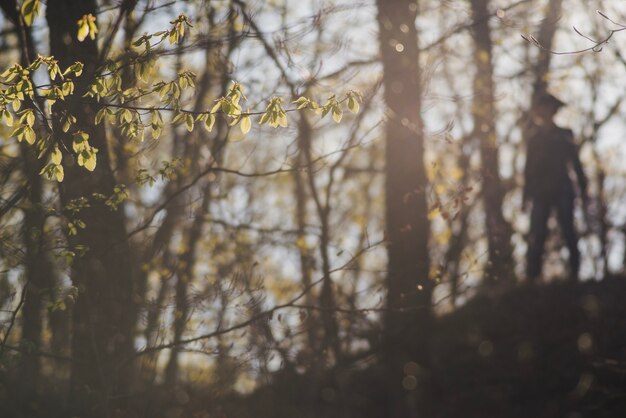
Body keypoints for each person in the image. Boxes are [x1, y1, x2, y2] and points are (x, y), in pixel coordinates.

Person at [523, 93, 588, 283]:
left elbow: (576, 164)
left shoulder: (564, 135)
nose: (543, 111)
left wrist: (583, 188)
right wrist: (525, 196)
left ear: (553, 110)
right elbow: (528, 170)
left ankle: (575, 275)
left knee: (568, 230)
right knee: (538, 233)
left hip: (563, 189)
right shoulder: (534, 139)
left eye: (546, 107)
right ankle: (532, 277)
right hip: (540, 192)